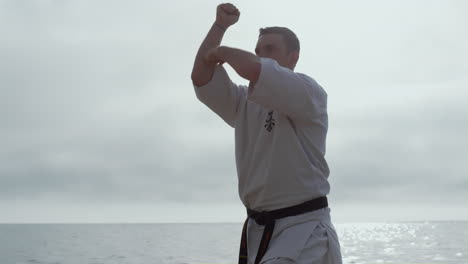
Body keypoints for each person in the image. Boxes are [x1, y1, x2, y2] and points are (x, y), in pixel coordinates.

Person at [191, 3, 342, 264]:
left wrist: (223, 52)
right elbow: (201, 77)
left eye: (270, 50)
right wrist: (219, 27)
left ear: (293, 57)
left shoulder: (307, 92)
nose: (261, 55)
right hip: (258, 231)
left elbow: (253, 68)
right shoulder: (244, 101)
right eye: (258, 50)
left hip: (304, 230)